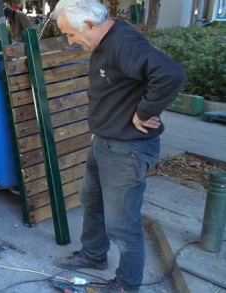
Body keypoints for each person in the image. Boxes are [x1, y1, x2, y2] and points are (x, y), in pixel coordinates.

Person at [49, 0, 186, 292]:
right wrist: (103, 127)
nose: (70, 41)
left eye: (71, 34)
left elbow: (171, 74)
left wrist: (145, 112)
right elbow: (118, 89)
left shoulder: (123, 42)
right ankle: (93, 254)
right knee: (91, 201)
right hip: (105, 141)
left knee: (122, 225)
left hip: (128, 149)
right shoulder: (106, 42)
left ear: (89, 24)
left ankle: (126, 284)